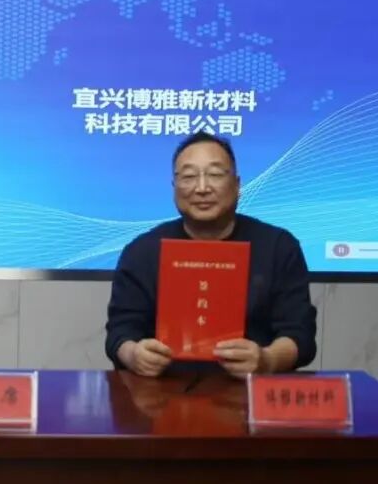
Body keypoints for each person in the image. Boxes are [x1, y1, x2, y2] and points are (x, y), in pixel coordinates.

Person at [105, 131, 316, 379]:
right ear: (174, 188)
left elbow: (300, 335)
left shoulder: (279, 247)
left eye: (215, 174)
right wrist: (134, 355)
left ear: (237, 185)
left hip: (250, 392)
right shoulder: (142, 251)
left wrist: (268, 360)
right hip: (161, 391)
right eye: (188, 176)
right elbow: (120, 332)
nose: (202, 188)